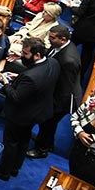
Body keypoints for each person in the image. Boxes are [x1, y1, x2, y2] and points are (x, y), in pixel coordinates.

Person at [0, 37, 60, 180]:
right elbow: (39, 82)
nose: (22, 56)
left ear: (37, 55)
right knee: (24, 140)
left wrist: (6, 84)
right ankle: (15, 168)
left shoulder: (30, 77)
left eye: (25, 54)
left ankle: (4, 172)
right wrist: (20, 77)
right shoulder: (53, 63)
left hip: (21, 115)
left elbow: (16, 97)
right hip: (37, 111)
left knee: (11, 143)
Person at [27, 25, 82, 159]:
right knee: (48, 123)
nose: (49, 39)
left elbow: (65, 87)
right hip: (58, 92)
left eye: (52, 38)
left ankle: (42, 149)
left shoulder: (69, 60)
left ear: (63, 39)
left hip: (63, 99)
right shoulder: (59, 46)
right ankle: (48, 143)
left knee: (47, 122)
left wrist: (53, 106)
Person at [69, 90, 95, 185]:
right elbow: (74, 117)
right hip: (77, 153)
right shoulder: (90, 104)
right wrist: (80, 133)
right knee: (70, 181)